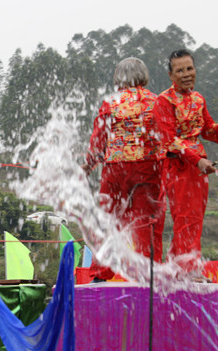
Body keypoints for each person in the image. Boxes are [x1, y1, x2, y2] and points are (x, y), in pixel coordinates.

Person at [153, 49, 218, 274]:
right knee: (184, 218)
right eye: (180, 70)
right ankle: (187, 270)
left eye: (189, 68)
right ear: (171, 75)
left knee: (195, 218)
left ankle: (179, 269)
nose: (186, 74)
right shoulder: (164, 101)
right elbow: (170, 140)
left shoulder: (198, 99)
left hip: (199, 166)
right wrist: (197, 161)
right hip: (177, 165)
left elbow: (208, 131)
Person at [83, 57, 165, 281]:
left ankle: (100, 275)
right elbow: (164, 136)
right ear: (143, 75)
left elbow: (99, 138)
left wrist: (89, 164)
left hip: (115, 168)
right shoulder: (156, 102)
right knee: (146, 223)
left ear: (118, 77)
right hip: (148, 168)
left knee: (109, 220)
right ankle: (148, 276)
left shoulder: (111, 102)